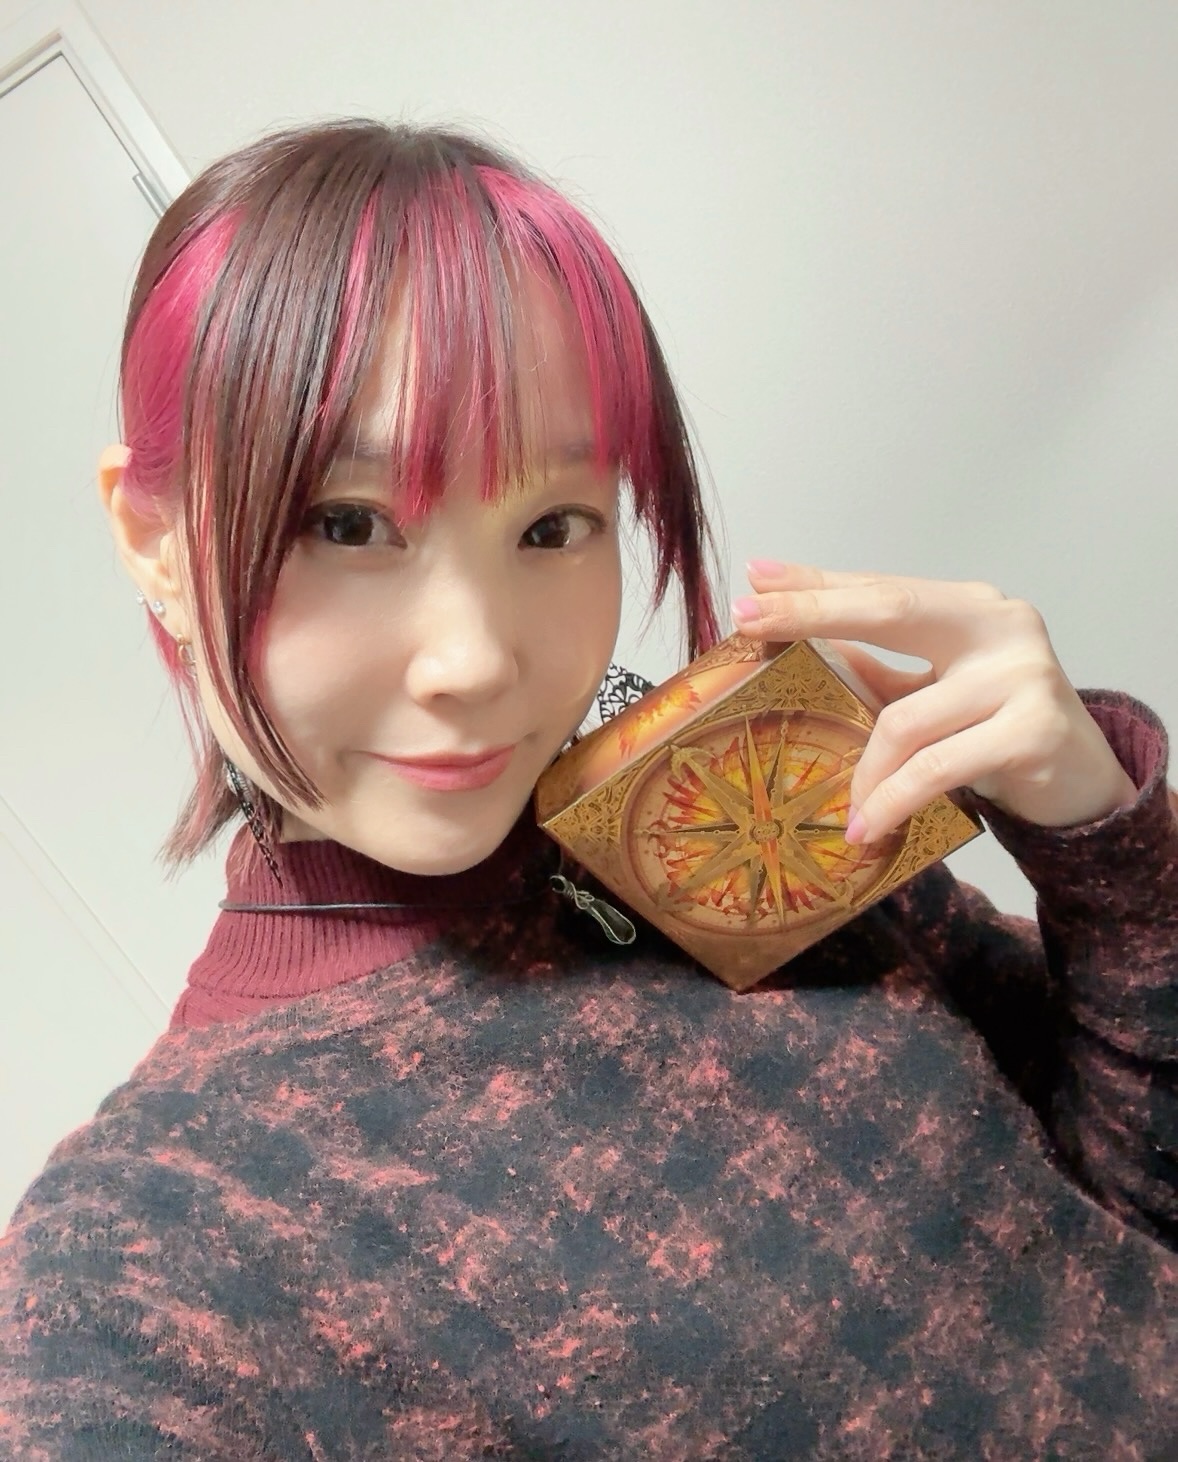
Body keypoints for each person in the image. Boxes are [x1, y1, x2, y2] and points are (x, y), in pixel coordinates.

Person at [0, 118, 1174, 1460]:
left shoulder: (715, 788)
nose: (475, 660)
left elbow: (1127, 1211)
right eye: (347, 523)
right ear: (153, 537)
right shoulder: (139, 1261)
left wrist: (1101, 850)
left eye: (552, 525)